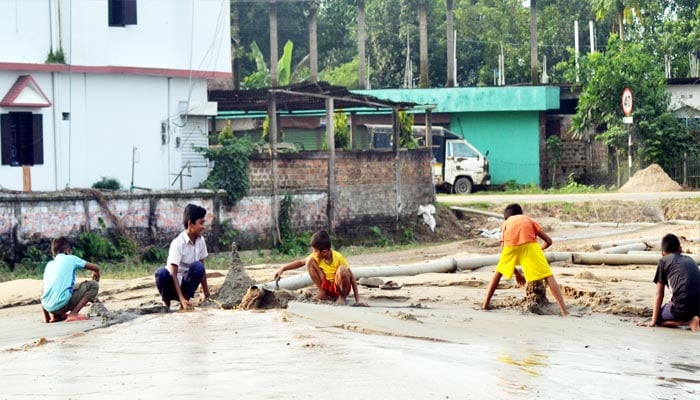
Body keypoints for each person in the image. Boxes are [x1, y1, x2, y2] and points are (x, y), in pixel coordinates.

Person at [481, 203, 568, 316]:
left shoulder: (506, 223)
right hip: (530, 246)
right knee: (547, 275)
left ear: (507, 217)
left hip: (510, 247)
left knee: (498, 272)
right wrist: (538, 252)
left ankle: (485, 304)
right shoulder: (528, 219)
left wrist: (517, 274)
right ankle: (564, 311)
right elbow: (549, 241)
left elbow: (504, 254)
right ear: (521, 213)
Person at [274, 230, 367, 306]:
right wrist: (282, 269)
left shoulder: (338, 257)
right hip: (327, 286)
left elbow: (352, 278)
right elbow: (300, 262)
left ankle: (342, 297)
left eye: (315, 251)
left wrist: (357, 299)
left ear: (324, 252)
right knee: (309, 260)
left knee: (343, 269)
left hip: (339, 287)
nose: (314, 253)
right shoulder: (317, 257)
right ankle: (323, 293)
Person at [638, 234, 700, 331]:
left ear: (663, 253)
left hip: (681, 308)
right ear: (680, 249)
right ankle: (695, 319)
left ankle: (688, 322)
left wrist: (653, 321)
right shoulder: (690, 259)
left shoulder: (663, 261)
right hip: (698, 307)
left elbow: (659, 294)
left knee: (658, 317)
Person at [155, 203, 211, 311]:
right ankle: (166, 303)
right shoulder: (178, 243)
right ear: (190, 224)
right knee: (161, 273)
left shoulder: (201, 240)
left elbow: (202, 269)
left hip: (186, 286)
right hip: (172, 285)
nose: (203, 227)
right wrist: (180, 298)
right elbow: (173, 274)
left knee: (199, 267)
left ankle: (186, 300)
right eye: (201, 223)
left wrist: (206, 293)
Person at [41, 237, 100, 323]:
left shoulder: (49, 265)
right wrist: (96, 272)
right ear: (67, 251)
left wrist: (47, 318)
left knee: (59, 289)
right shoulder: (71, 258)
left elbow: (43, 292)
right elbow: (96, 267)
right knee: (93, 285)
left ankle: (55, 317)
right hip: (61, 305)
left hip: (49, 307)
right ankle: (74, 314)